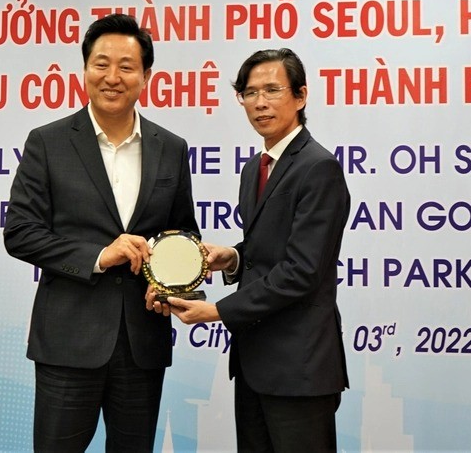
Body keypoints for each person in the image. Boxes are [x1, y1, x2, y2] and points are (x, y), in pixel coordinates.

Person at [4, 14, 199, 452]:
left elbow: (182, 233)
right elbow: (19, 232)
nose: (112, 77)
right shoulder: (48, 142)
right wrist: (98, 255)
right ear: (85, 69)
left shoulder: (171, 147)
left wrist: (168, 281)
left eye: (127, 66)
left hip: (141, 343)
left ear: (146, 76)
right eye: (101, 64)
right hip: (69, 342)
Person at [149, 48, 351, 452]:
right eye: (249, 92)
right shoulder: (254, 167)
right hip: (255, 363)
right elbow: (269, 250)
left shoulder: (318, 167)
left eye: (272, 90)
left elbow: (301, 271)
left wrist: (220, 311)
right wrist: (233, 257)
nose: (259, 102)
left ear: (301, 96)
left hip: (300, 367)